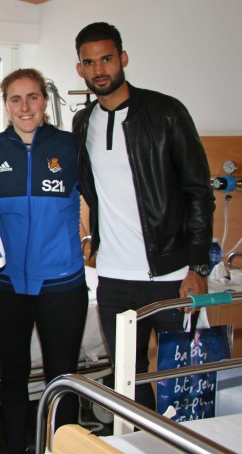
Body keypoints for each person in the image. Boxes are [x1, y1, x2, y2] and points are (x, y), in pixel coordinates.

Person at [73, 22, 215, 409]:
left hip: (170, 277)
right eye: (89, 62)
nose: (99, 69)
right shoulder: (82, 123)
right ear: (80, 69)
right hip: (115, 280)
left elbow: (199, 193)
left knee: (185, 382)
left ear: (123, 59)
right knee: (128, 382)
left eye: (106, 58)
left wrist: (198, 268)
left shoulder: (166, 112)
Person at [0, 68, 88, 452]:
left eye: (33, 97)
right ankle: (14, 447)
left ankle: (62, 447)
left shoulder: (71, 147)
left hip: (62, 283)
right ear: (5, 105)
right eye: (15, 99)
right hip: (5, 284)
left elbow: (104, 199)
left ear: (45, 102)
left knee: (62, 378)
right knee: (12, 375)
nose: (25, 107)